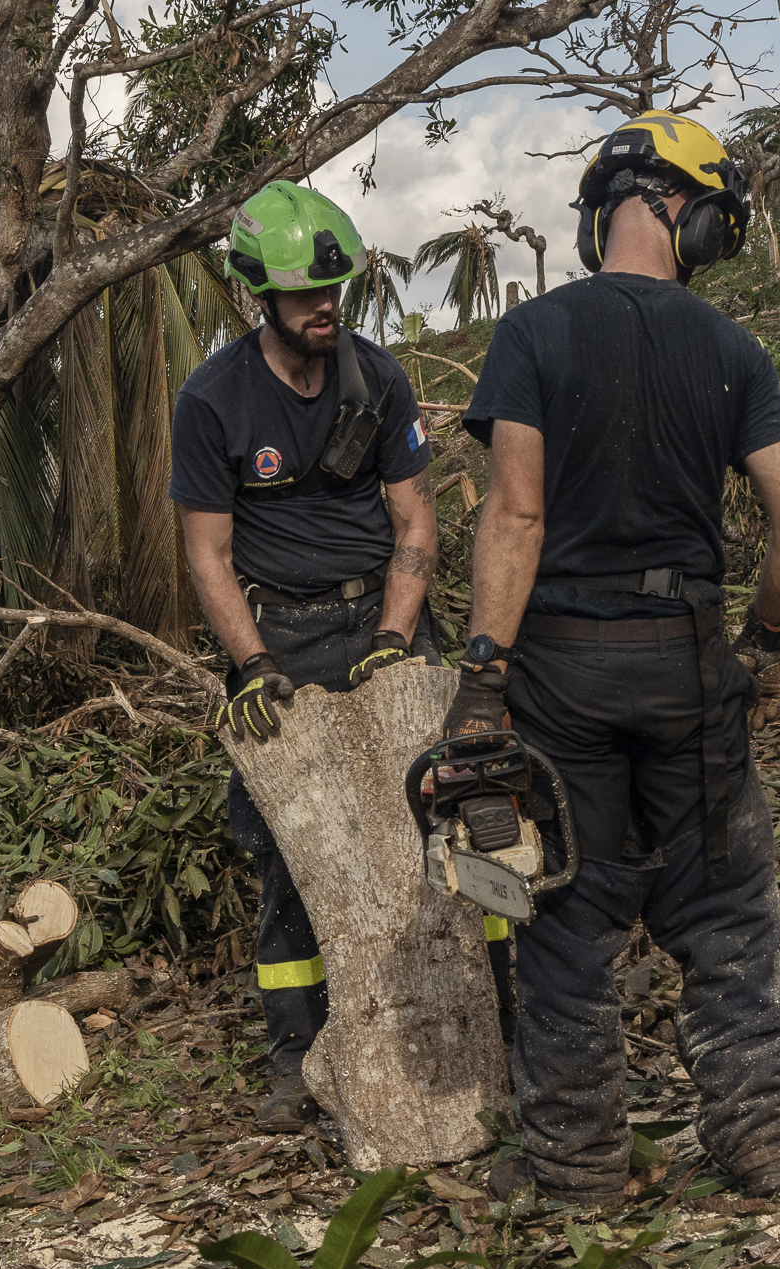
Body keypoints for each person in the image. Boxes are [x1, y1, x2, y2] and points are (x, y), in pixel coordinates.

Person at [457, 113, 780, 1207]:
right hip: (689, 663)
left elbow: (515, 517)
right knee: (724, 912)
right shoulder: (730, 350)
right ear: (676, 206)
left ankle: (576, 1166)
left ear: (606, 208)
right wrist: (760, 647)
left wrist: (483, 674)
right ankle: (764, 1133)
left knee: (568, 923)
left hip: (562, 669)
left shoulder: (533, 334)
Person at [175, 181, 486, 1132]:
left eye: (337, 289)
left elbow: (416, 517)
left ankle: (488, 1023)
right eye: (307, 294)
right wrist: (253, 664)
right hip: (278, 633)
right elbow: (207, 554)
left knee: (449, 822)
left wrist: (397, 639)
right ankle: (294, 1056)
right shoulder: (214, 400)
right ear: (256, 295)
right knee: (288, 854)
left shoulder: (378, 379)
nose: (327, 307)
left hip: (380, 618)